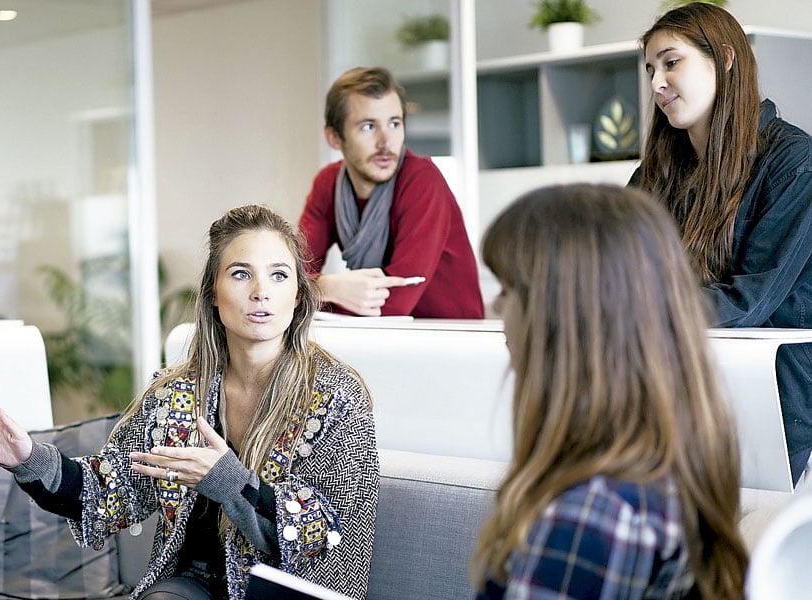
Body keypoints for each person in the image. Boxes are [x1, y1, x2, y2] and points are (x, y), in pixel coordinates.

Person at [0, 205, 378, 600]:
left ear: (298, 296)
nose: (261, 291)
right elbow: (108, 490)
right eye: (241, 274)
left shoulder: (339, 397)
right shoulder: (177, 393)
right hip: (192, 587)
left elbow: (326, 540)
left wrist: (230, 482)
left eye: (279, 275)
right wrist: (28, 459)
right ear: (213, 292)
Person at [472, 184, 748, 599]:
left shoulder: (591, 518)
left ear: (563, 318)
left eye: (509, 290)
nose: (496, 308)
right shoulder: (662, 470)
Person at [633, 3, 812, 485]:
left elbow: (748, 299)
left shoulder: (795, 163)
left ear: (726, 59)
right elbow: (615, 266)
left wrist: (629, 310)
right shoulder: (656, 173)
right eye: (651, 69)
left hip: (774, 402)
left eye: (672, 62)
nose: (656, 84)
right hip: (680, 388)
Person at [297, 66, 483, 319]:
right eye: (368, 127)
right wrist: (327, 287)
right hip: (380, 338)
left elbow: (395, 303)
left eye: (394, 124)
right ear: (334, 138)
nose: (386, 142)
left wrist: (313, 292)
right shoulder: (328, 184)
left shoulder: (422, 180)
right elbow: (289, 276)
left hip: (450, 340)